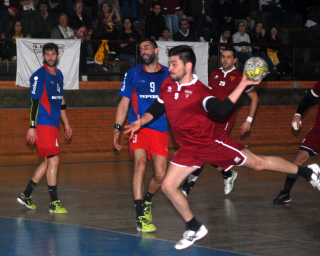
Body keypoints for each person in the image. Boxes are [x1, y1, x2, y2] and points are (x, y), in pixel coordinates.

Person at [125, 45, 320, 250]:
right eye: (170, 63)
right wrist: (141, 122)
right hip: (188, 147)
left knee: (258, 164)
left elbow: (220, 109)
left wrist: (244, 82)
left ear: (188, 66)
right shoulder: (167, 84)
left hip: (211, 143)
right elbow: (157, 107)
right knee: (167, 186)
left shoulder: (200, 92)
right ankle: (194, 227)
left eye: (174, 64)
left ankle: (309, 173)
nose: (170, 68)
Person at [180, 47, 259, 196]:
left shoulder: (240, 76)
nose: (225, 59)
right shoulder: (215, 74)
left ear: (234, 60)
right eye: (223, 56)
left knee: (205, 147)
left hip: (226, 119)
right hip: (209, 117)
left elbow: (254, 98)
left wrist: (248, 120)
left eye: (228, 57)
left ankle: (188, 186)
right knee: (204, 148)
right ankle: (227, 173)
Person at [113, 39, 169, 232]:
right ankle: (140, 218)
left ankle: (147, 200)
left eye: (146, 47)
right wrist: (117, 127)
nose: (143, 51)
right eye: (141, 49)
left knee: (161, 175)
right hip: (137, 128)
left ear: (156, 50)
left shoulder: (169, 74)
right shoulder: (132, 74)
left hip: (160, 128)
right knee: (140, 164)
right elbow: (123, 103)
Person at [17, 43, 72, 214]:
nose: (50, 57)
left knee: (48, 161)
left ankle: (26, 195)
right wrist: (32, 126)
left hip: (53, 124)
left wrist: (66, 123)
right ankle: (54, 202)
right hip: (43, 123)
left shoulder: (60, 75)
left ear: (57, 56)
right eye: (47, 54)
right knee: (54, 160)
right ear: (43, 57)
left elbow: (60, 100)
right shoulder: (39, 75)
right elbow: (33, 102)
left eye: (53, 54)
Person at [273, 80, 320, 204]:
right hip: (318, 131)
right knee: (300, 157)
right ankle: (285, 193)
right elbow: (308, 98)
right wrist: (298, 114)